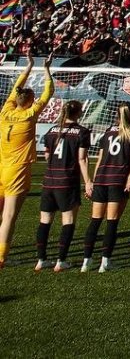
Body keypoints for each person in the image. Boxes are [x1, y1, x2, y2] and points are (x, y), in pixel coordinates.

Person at [0, 55, 54, 269]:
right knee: (10, 215)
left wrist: (28, 67)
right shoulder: (30, 115)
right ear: (30, 101)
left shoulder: (5, 111)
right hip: (17, 169)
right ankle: (2, 257)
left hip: (1, 165)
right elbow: (48, 92)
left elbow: (16, 87)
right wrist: (45, 69)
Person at [81, 102, 130, 273]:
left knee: (95, 221)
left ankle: (86, 261)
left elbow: (100, 159)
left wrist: (92, 181)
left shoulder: (108, 131)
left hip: (101, 178)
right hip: (118, 179)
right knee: (112, 222)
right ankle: (105, 261)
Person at [34, 99, 91, 273]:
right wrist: (88, 181)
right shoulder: (82, 132)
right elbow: (82, 159)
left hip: (49, 180)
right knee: (68, 220)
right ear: (79, 112)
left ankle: (41, 259)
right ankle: (61, 260)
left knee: (45, 221)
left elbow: (46, 155)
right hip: (67, 182)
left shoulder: (52, 130)